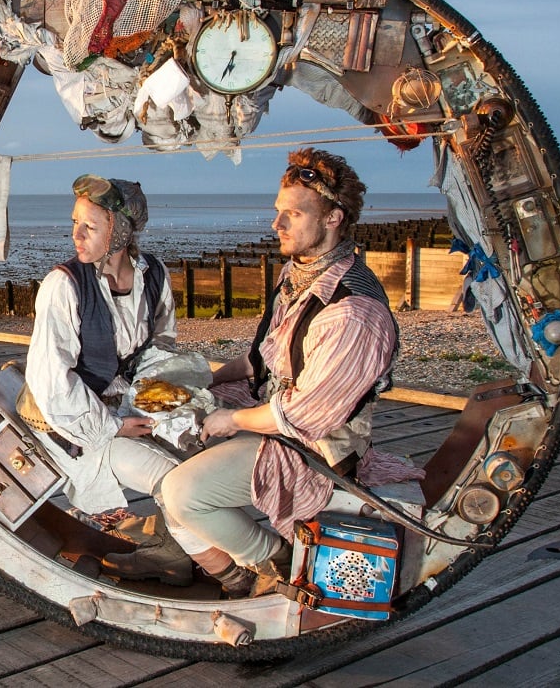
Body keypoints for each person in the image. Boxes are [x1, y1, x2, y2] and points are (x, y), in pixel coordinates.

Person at [159, 147, 399, 597]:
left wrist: (229, 419)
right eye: (277, 211)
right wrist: (202, 384)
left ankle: (273, 562)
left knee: (183, 492)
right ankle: (182, 544)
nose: (277, 224)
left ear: (333, 219)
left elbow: (303, 415)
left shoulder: (353, 312)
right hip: (271, 417)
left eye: (294, 213)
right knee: (164, 428)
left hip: (317, 451)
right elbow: (262, 361)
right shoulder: (297, 274)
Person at [21, 173, 213, 586]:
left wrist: (158, 405)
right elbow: (52, 382)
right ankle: (188, 559)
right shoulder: (64, 285)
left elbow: (160, 350)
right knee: (173, 478)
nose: (76, 235)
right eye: (74, 222)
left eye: (89, 226)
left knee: (202, 452)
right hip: (69, 426)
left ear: (121, 232)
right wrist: (113, 426)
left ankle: (179, 541)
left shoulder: (154, 276)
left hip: (124, 408)